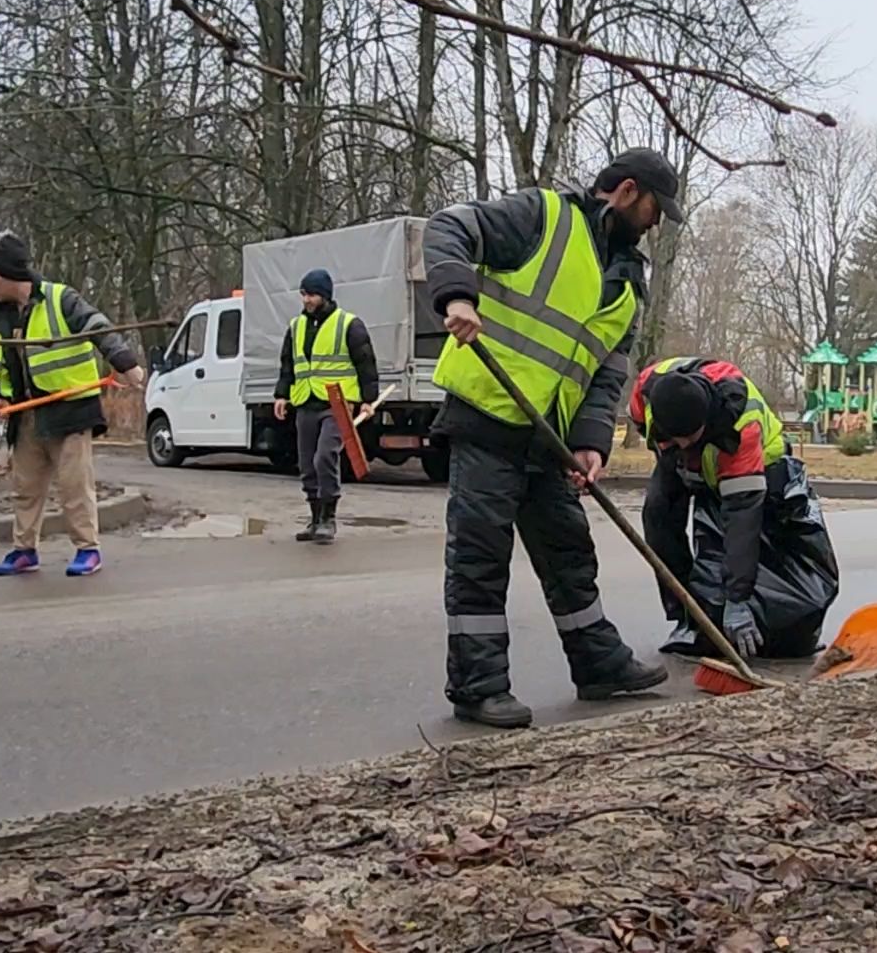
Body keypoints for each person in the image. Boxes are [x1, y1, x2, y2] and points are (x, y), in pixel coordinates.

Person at [425, 146, 682, 729]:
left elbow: (607, 367)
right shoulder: (542, 218)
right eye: (653, 207)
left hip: (550, 438)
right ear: (624, 191)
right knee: (480, 557)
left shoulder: (627, 282)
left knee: (569, 551)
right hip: (489, 417)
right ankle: (478, 685)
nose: (656, 222)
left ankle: (597, 664)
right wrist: (457, 296)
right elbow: (449, 228)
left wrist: (592, 442)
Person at [633, 357, 840, 660]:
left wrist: (737, 600)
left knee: (742, 540)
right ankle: (688, 615)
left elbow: (742, 523)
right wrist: (679, 455)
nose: (685, 442)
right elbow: (645, 426)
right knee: (657, 516)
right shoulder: (646, 391)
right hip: (683, 460)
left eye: (691, 436)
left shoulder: (741, 425)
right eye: (677, 436)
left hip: (763, 469)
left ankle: (755, 621)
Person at [0, 234, 146, 578]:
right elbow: (2, 361)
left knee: (74, 484)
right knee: (25, 487)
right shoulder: (2, 317)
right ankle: (24, 550)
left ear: (9, 274)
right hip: (26, 412)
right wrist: (0, 395)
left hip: (70, 408)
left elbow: (100, 328)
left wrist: (125, 363)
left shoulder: (60, 298)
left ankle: (88, 549)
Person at [274, 268, 380, 543]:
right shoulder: (296, 326)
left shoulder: (349, 325)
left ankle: (329, 518)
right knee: (306, 463)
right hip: (305, 401)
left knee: (325, 457)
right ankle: (314, 517)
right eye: (304, 294)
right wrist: (281, 395)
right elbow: (288, 364)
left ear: (325, 296)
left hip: (337, 404)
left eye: (312, 294)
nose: (307, 300)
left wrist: (369, 400)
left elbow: (366, 363)